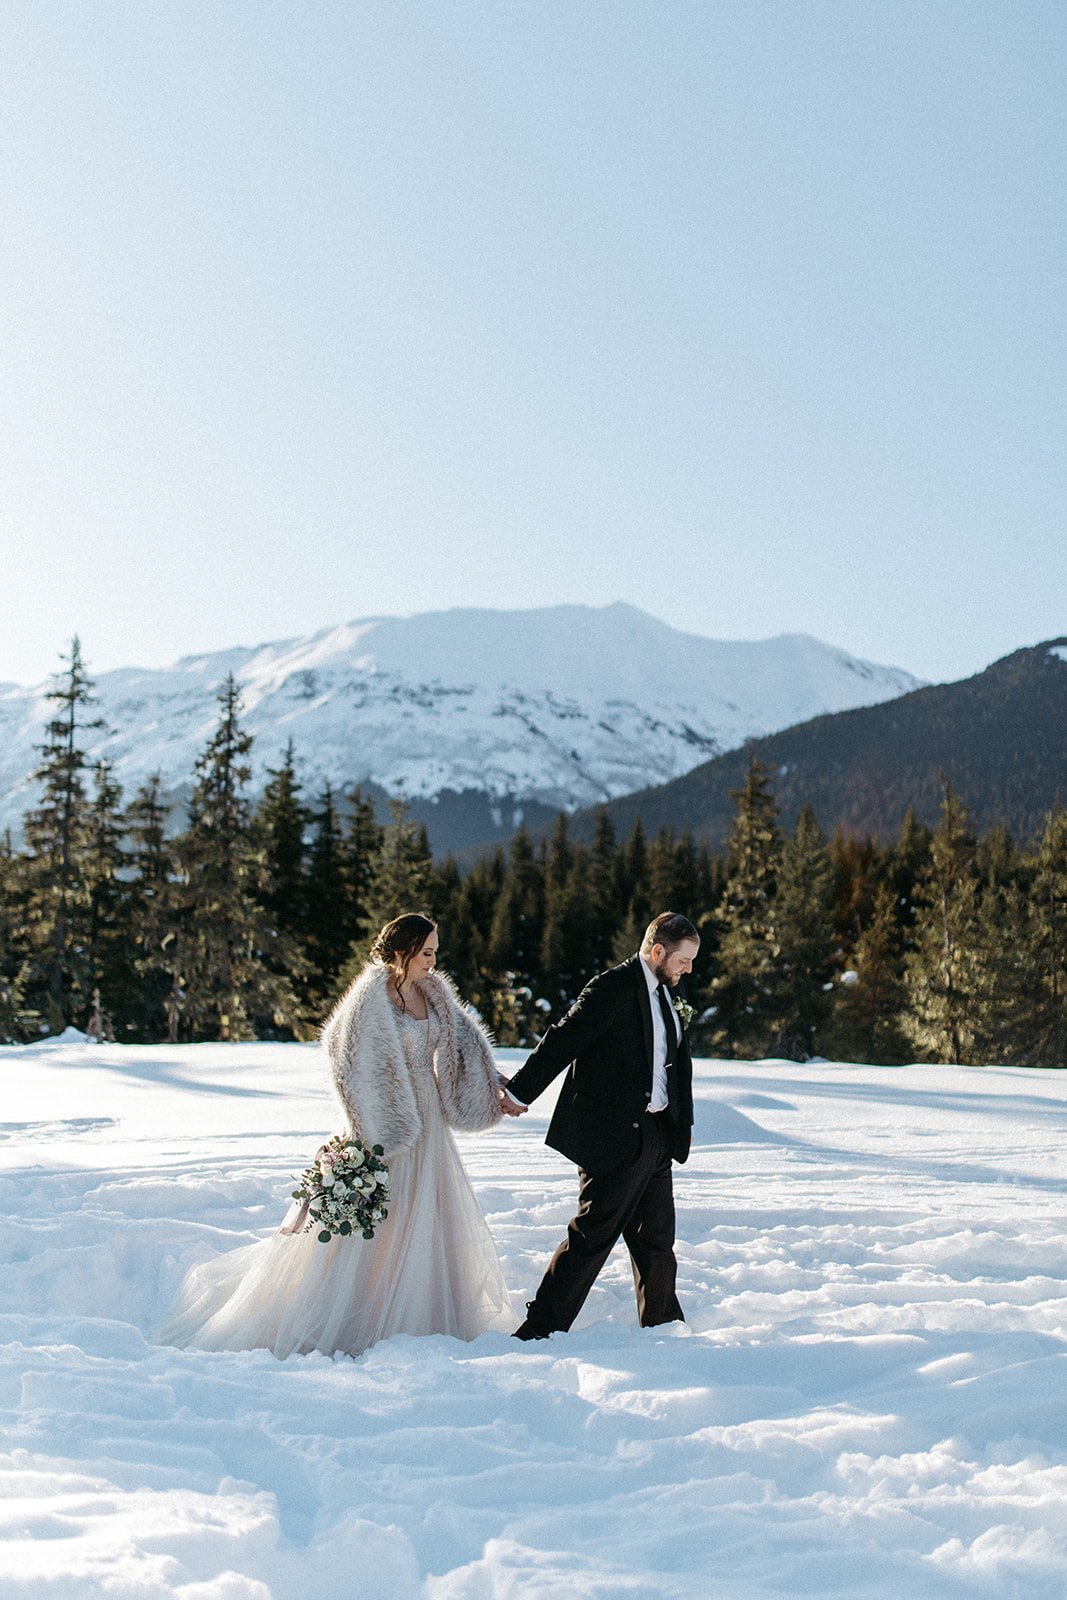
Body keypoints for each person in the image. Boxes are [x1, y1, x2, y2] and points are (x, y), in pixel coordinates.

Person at [157, 913, 512, 1359]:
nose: (432, 961)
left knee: (428, 1214)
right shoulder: (370, 998)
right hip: (387, 1119)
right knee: (384, 1217)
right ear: (401, 953)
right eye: (425, 953)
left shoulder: (433, 992)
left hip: (431, 1124)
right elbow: (342, 1056)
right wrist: (372, 1111)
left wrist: (490, 1080)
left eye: (435, 952)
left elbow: (464, 1045)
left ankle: (426, 1312)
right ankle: (365, 1311)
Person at [501, 911, 698, 1340]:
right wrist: (519, 1093)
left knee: (657, 1243)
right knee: (592, 1236)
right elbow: (563, 1039)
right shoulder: (612, 988)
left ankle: (664, 1328)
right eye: (683, 960)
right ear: (658, 951)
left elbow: (671, 1066)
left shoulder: (666, 994)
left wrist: (679, 1123)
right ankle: (539, 1330)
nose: (688, 969)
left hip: (656, 1136)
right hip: (614, 1138)